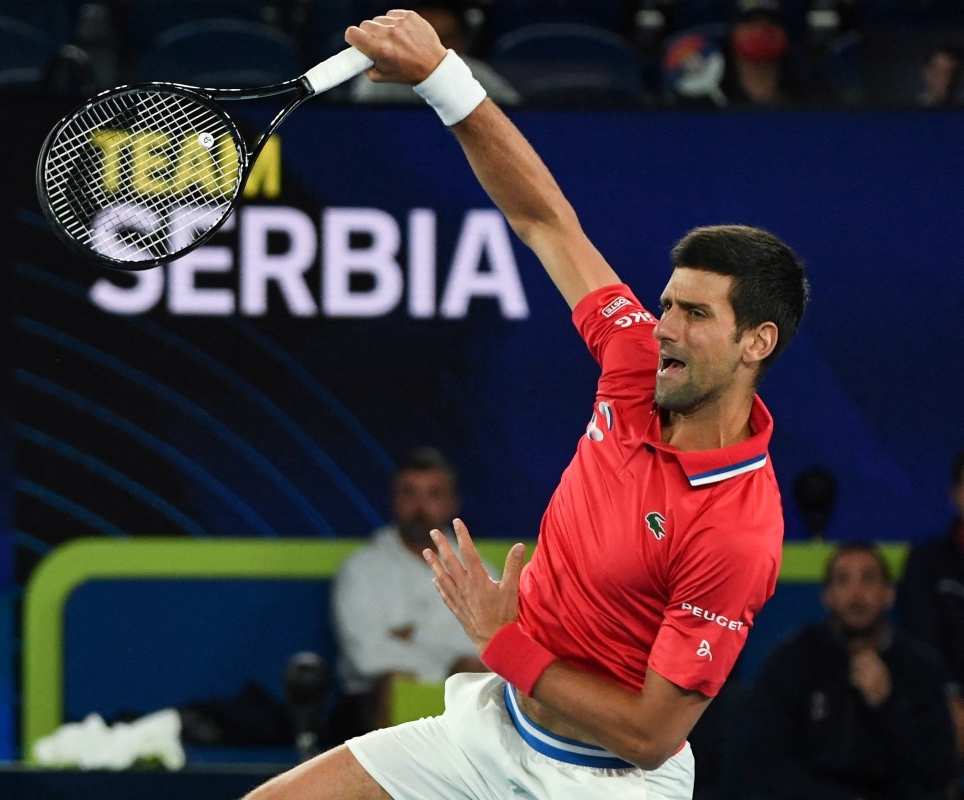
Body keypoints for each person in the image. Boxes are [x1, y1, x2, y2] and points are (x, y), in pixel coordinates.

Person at [245, 8, 810, 799]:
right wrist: (444, 78)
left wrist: (503, 640)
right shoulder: (635, 361)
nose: (665, 329)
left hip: (605, 782)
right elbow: (544, 219)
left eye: (695, 315)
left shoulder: (738, 529)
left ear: (757, 343)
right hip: (488, 729)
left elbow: (651, 736)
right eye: (668, 304)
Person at [744, 541, 958, 800]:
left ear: (888, 594)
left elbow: (939, 772)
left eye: (868, 580)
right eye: (843, 581)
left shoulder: (920, 667)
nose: (856, 594)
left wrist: (888, 704)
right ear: (828, 596)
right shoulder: (792, 661)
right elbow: (766, 766)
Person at [325, 446, 491, 747]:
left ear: (453, 504)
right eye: (409, 493)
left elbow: (489, 648)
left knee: (472, 674)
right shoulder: (362, 568)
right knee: (394, 681)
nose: (420, 506)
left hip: (460, 693)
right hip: (370, 703)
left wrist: (414, 634)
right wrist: (445, 658)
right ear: (394, 500)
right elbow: (366, 657)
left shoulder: (478, 571)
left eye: (433, 494)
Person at [899, 449, 964, 760]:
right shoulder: (927, 563)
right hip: (941, 708)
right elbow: (923, 645)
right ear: (956, 494)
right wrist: (949, 698)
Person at [348, 1, 520, 107]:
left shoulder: (480, 78)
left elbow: (513, 119)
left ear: (461, 42)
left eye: (444, 39)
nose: (431, 47)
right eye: (424, 37)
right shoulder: (380, 80)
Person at [920, 42, 962, 109]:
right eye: (939, 71)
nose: (945, 78)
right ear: (927, 73)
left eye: (951, 72)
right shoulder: (907, 112)